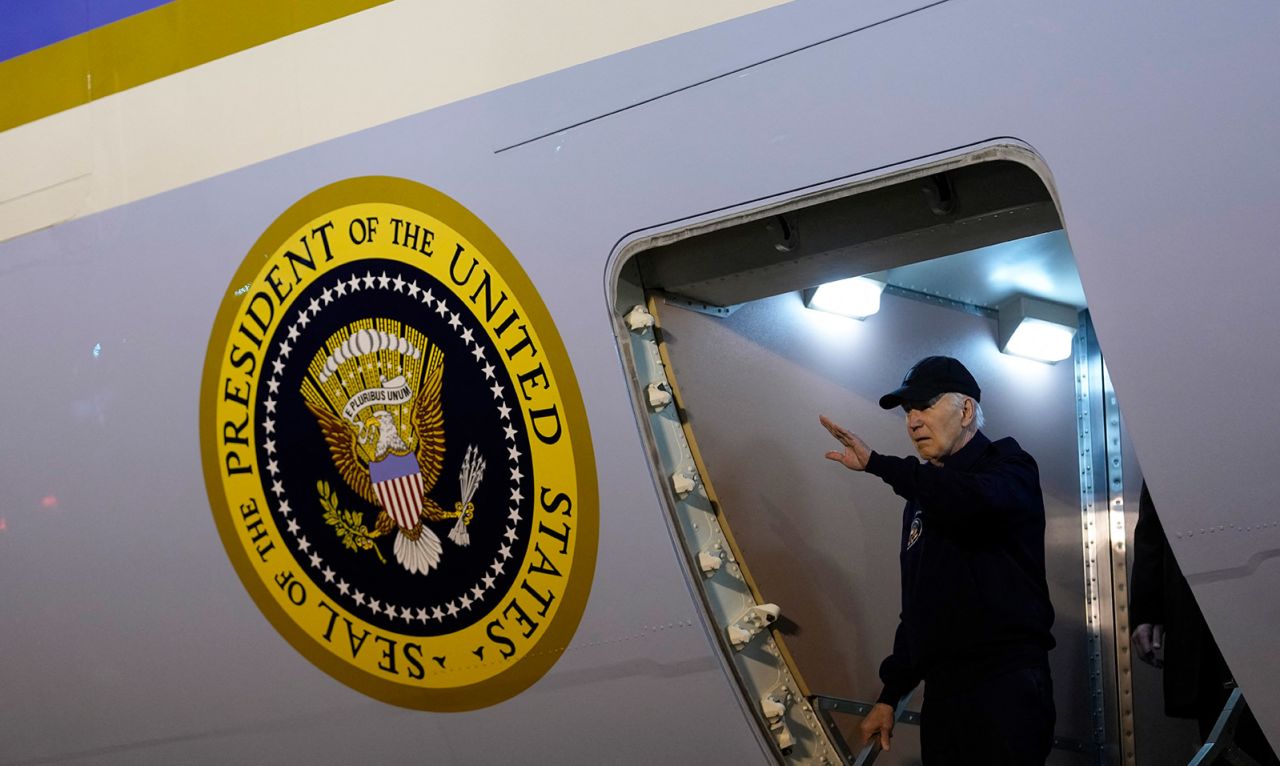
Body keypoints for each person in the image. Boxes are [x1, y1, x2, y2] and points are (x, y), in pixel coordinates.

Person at [820, 355, 1056, 765]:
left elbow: (970, 499)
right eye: (908, 412)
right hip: (945, 695)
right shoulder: (920, 500)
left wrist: (879, 465)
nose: (912, 422)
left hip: (1004, 686)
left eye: (924, 406)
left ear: (966, 410)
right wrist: (890, 696)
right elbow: (919, 606)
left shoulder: (1010, 466)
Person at [1130, 482, 1280, 764]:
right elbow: (1157, 514)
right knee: (1226, 728)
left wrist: (1147, 610)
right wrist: (1147, 609)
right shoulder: (1174, 441)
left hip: (1231, 598)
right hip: (1209, 605)